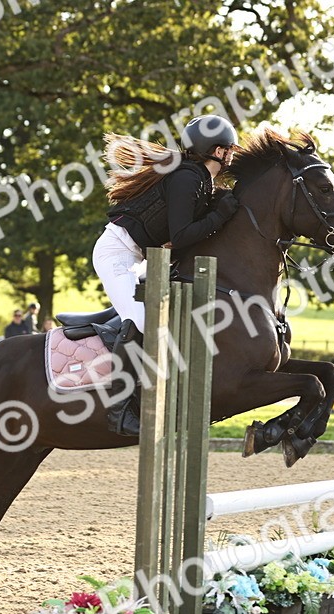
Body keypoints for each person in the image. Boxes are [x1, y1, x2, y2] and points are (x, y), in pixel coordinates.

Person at [92, 114, 242, 435]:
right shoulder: (188, 179)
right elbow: (185, 234)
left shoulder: (202, 179)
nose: (232, 154)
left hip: (143, 258)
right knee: (143, 320)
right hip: (117, 255)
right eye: (227, 148)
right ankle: (116, 408)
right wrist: (222, 213)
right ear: (213, 150)